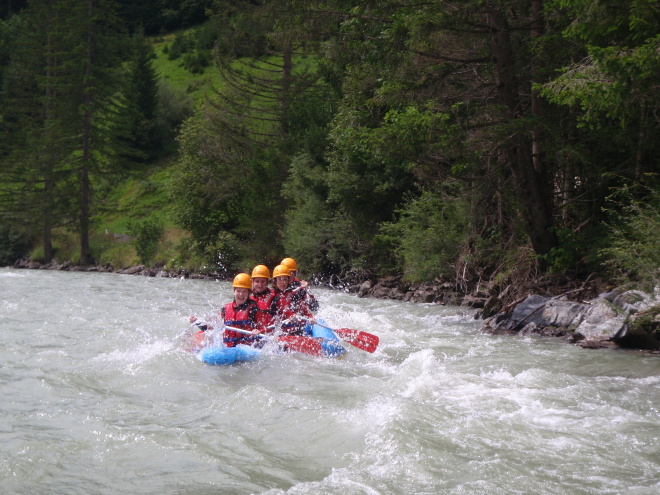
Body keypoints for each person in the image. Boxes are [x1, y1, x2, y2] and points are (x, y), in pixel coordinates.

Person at [270, 264, 315, 336]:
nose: (283, 282)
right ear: (275, 280)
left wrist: (311, 317)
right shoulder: (271, 295)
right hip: (278, 331)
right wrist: (291, 315)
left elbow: (304, 310)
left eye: (285, 279)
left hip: (293, 329)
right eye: (280, 279)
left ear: (288, 280)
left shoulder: (293, 294)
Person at [250, 264, 276, 330]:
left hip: (269, 334)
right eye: (257, 281)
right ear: (252, 282)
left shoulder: (275, 297)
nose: (260, 284)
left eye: (263, 281)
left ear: (267, 282)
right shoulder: (248, 298)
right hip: (254, 334)